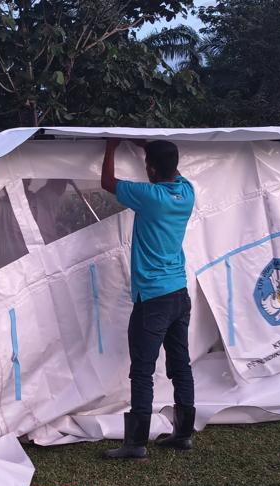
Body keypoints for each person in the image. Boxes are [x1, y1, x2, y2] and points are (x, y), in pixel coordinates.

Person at [99, 138, 197, 459]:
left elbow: (107, 183)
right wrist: (147, 147)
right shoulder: (186, 192)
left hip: (153, 298)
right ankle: (183, 433)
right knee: (180, 364)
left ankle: (136, 443)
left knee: (142, 369)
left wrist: (112, 146)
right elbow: (170, 170)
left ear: (150, 168)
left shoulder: (149, 196)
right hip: (179, 294)